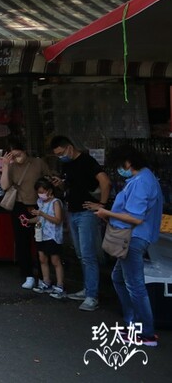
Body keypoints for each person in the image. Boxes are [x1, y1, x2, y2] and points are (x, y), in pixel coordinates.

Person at [85, 145, 163, 347]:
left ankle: (145, 332)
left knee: (134, 285)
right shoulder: (144, 178)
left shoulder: (141, 182)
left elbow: (134, 218)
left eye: (120, 166)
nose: (120, 170)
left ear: (127, 163)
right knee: (118, 278)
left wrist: (106, 213)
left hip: (132, 238)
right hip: (133, 238)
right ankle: (132, 323)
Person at [49, 135, 111, 311]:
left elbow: (105, 182)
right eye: (57, 155)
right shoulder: (67, 164)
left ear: (69, 147)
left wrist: (102, 206)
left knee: (88, 254)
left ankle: (92, 295)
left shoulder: (87, 161)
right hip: (73, 211)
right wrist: (60, 184)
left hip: (86, 213)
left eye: (61, 153)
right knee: (80, 253)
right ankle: (88, 289)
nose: (61, 157)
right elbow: (70, 187)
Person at [0, 138, 50, 290]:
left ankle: (43, 276)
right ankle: (28, 274)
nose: (16, 158)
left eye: (18, 154)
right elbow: (4, 186)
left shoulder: (38, 163)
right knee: (22, 242)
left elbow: (48, 179)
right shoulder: (12, 166)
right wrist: (5, 166)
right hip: (20, 207)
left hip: (37, 206)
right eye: (13, 155)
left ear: (24, 151)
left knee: (40, 241)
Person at [25, 178, 66, 300]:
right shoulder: (41, 203)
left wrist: (42, 214)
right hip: (41, 235)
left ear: (49, 190)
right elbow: (39, 219)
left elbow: (58, 220)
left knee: (55, 260)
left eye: (42, 191)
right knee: (42, 259)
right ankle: (46, 282)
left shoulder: (56, 202)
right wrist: (29, 221)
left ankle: (60, 285)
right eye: (39, 192)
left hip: (53, 236)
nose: (41, 194)